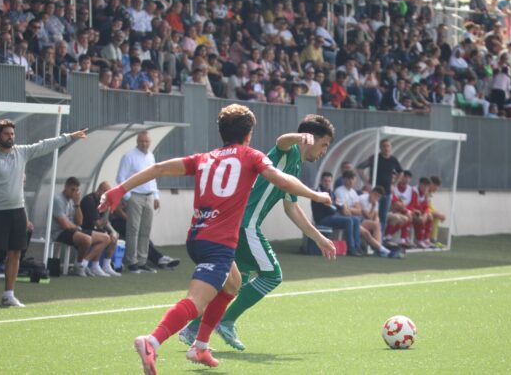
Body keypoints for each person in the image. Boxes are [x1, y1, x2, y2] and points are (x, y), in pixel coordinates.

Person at [98, 104, 334, 373]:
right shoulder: (251, 156)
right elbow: (280, 175)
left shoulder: (204, 157)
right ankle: (152, 340)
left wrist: (118, 190)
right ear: (248, 135)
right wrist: (316, 196)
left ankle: (200, 346)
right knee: (196, 302)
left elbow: (160, 168)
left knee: (233, 283)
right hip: (219, 243)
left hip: (197, 236)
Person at [178, 115, 337, 351]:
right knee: (272, 275)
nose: (324, 151)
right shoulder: (289, 151)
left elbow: (291, 208)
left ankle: (193, 329)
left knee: (234, 284)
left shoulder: (295, 166)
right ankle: (226, 321)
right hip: (246, 225)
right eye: (324, 144)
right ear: (310, 139)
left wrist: (319, 238)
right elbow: (282, 141)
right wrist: (298, 137)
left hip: (240, 225)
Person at [0, 120, 87, 307]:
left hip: (17, 211)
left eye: (12, 134)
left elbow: (44, 145)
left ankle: (8, 295)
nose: (10, 137)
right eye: (6, 134)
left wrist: (69, 137)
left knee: (15, 253)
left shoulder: (21, 152)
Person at [116, 131, 160, 274]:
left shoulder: (151, 156)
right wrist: (128, 197)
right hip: (135, 195)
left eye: (147, 141)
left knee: (145, 230)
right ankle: (132, 262)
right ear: (137, 141)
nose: (144, 144)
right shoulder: (129, 156)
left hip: (149, 196)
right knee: (133, 230)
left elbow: (153, 177)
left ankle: (142, 261)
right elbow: (120, 178)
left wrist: (156, 196)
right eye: (142, 141)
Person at [52, 177, 112, 277]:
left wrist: (77, 204)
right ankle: (79, 265)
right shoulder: (58, 200)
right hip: (60, 232)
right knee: (87, 239)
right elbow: (64, 225)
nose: (74, 193)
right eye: (72, 190)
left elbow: (79, 222)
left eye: (76, 190)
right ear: (66, 187)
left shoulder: (72, 201)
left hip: (73, 230)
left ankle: (83, 264)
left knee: (106, 238)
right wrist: (77, 228)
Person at [109, 203, 181, 269]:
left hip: (126, 221)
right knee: (138, 237)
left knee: (144, 238)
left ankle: (159, 259)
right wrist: (132, 221)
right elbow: (117, 210)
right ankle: (159, 259)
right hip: (116, 222)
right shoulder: (122, 193)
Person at [357, 139, 403, 237]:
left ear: (391, 147)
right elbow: (360, 168)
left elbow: (401, 172)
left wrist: (394, 184)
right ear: (381, 148)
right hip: (375, 193)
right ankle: (370, 238)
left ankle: (380, 238)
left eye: (388, 146)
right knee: (372, 215)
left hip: (386, 193)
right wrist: (367, 183)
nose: (386, 148)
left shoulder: (393, 160)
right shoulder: (375, 158)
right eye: (384, 146)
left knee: (383, 216)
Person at [311, 171, 363, 256]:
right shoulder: (319, 192)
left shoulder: (330, 192)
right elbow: (331, 209)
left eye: (329, 181)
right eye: (325, 181)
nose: (327, 183)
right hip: (322, 219)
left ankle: (358, 247)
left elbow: (337, 205)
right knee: (348, 220)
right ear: (321, 181)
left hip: (332, 217)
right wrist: (337, 206)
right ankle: (351, 248)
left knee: (356, 220)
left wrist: (337, 206)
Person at [80, 181, 122, 276]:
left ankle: (106, 265)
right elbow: (98, 223)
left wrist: (113, 232)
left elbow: (105, 222)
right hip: (83, 229)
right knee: (105, 237)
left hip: (94, 229)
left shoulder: (102, 201)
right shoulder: (89, 200)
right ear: (100, 191)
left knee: (113, 236)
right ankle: (88, 264)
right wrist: (107, 209)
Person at [428, 176, 446, 247]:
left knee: (437, 216)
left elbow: (428, 206)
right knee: (435, 215)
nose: (437, 188)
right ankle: (428, 240)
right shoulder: (424, 191)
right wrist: (436, 213)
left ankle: (432, 240)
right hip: (418, 211)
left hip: (424, 211)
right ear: (431, 184)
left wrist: (437, 212)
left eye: (438, 186)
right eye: (435, 186)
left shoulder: (429, 193)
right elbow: (422, 206)